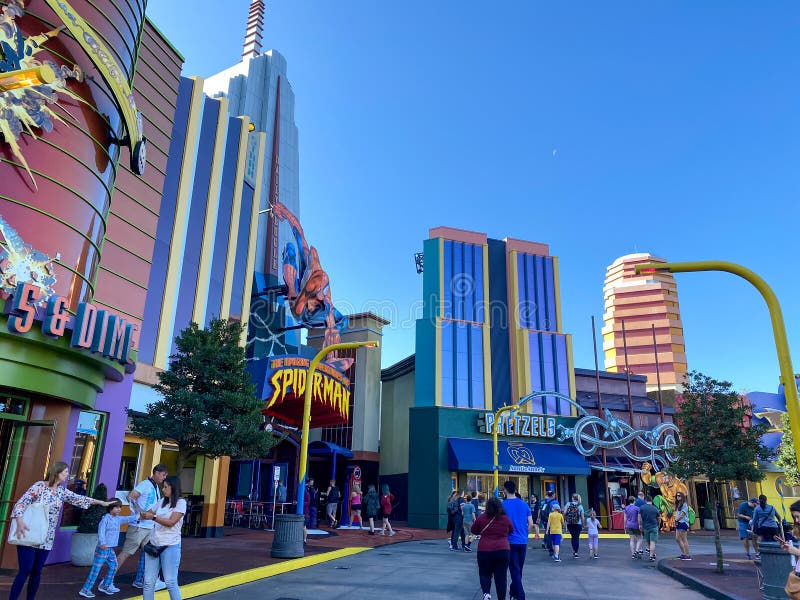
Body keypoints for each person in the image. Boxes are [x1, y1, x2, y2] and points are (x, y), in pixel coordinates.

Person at [10, 461, 111, 600]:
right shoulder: (39, 486)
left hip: (47, 537)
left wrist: (101, 502)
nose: (67, 474)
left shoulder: (61, 491)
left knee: (37, 572)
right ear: (57, 473)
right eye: (65, 472)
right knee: (25, 570)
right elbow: (21, 503)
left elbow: (79, 499)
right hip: (29, 532)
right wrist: (19, 521)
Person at [117, 464, 169, 589]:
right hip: (139, 527)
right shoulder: (145, 484)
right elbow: (131, 496)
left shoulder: (155, 486)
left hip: (149, 527)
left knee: (150, 554)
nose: (164, 478)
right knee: (126, 553)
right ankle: (106, 581)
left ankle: (141, 580)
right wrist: (139, 512)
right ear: (156, 473)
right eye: (163, 475)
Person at [139, 475, 186, 600]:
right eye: (162, 487)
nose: (163, 490)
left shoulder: (181, 503)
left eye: (165, 487)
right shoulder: (161, 502)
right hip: (154, 544)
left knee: (170, 582)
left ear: (173, 488)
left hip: (170, 546)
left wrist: (153, 517)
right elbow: (148, 513)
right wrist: (141, 511)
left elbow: (171, 523)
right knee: (148, 582)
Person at [79, 499, 138, 597]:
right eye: (116, 507)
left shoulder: (118, 519)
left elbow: (128, 519)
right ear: (110, 508)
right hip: (103, 549)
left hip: (110, 549)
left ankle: (105, 585)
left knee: (114, 566)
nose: (119, 509)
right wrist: (102, 542)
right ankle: (85, 589)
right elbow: (101, 530)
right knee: (96, 570)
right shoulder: (105, 518)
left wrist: (139, 515)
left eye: (120, 507)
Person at [471, 496, 514, 600]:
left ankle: (486, 594)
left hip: (485, 550)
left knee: (484, 573)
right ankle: (501, 598)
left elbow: (474, 530)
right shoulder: (505, 518)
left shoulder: (482, 517)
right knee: (501, 577)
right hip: (503, 550)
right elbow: (511, 530)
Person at [502, 480, 533, 600]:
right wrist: (525, 534)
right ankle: (513, 593)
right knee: (519, 570)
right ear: (515, 490)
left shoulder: (503, 505)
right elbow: (530, 523)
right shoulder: (524, 504)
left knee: (514, 570)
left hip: (510, 541)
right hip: (522, 541)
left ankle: (520, 596)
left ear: (505, 490)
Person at [777, 500, 800, 600]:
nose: (797, 520)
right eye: (795, 517)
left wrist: (796, 552)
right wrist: (791, 550)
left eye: (798, 516)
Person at [639, 495, 661, 563]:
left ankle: (651, 553)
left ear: (645, 500)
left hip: (646, 527)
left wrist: (640, 525)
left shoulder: (642, 508)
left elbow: (639, 518)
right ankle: (651, 556)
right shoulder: (655, 508)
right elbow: (659, 518)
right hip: (654, 526)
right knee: (653, 542)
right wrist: (659, 525)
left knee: (648, 542)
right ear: (651, 500)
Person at [564, 493, 585, 558]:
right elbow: (582, 517)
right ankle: (576, 552)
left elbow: (564, 513)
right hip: (578, 524)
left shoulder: (568, 504)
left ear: (573, 498)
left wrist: (564, 521)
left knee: (573, 537)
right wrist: (583, 524)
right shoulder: (580, 506)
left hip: (570, 523)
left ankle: (574, 550)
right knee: (576, 537)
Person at [674, 491, 692, 560]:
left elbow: (682, 514)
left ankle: (687, 555)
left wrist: (676, 520)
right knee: (677, 538)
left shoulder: (684, 504)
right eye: (677, 496)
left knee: (684, 539)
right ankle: (683, 553)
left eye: (679, 496)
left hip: (683, 523)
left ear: (682, 497)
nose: (677, 497)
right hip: (679, 522)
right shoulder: (679, 504)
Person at [540, 489, 557, 555]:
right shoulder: (554, 502)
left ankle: (548, 547)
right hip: (552, 519)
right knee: (552, 534)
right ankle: (552, 548)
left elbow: (541, 510)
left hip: (545, 519)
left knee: (547, 533)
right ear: (553, 495)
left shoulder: (544, 502)